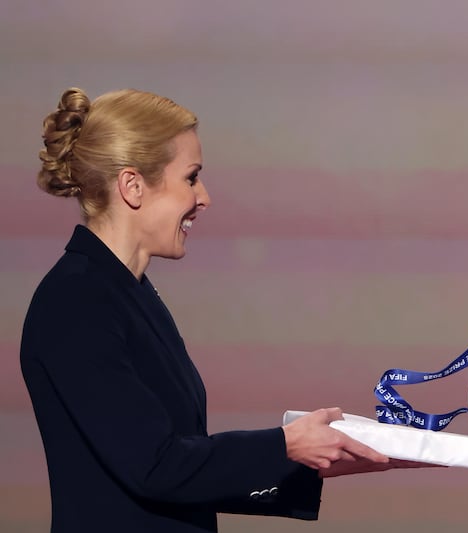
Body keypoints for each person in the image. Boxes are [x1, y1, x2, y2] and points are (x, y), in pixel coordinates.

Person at [20, 87, 410, 532]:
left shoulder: (128, 294)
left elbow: (179, 470)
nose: (203, 198)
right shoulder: (76, 301)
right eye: (191, 177)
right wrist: (283, 446)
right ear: (132, 186)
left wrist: (318, 459)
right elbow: (154, 466)